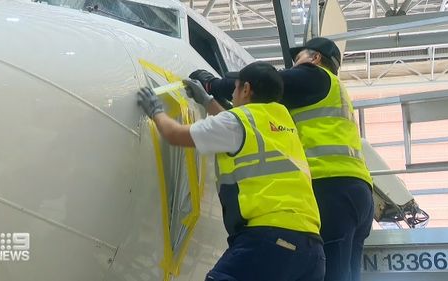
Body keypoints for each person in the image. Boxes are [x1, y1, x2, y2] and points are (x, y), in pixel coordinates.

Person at [189, 38, 374, 281]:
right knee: (344, 275)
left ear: (315, 58)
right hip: (359, 194)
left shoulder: (315, 76)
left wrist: (212, 85)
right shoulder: (335, 93)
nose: (294, 66)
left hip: (330, 186)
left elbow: (264, 83)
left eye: (297, 60)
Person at [137, 61, 325, 281]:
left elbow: (175, 134)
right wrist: (207, 102)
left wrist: (156, 110)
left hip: (270, 241)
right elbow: (235, 128)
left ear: (246, 89)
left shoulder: (237, 122)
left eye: (235, 88)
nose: (233, 94)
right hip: (312, 252)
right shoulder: (284, 122)